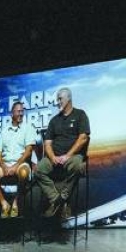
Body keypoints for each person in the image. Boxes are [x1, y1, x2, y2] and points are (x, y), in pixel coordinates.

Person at [34, 87, 90, 238]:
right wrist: (52, 157)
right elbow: (47, 143)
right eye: (57, 99)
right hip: (55, 157)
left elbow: (83, 138)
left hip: (72, 156)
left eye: (60, 99)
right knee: (38, 169)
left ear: (68, 99)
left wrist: (67, 155)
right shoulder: (54, 120)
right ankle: (58, 200)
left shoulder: (80, 115)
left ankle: (63, 197)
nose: (57, 102)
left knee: (78, 165)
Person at [0, 100, 35, 218]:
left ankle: (16, 203)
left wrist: (15, 166)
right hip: (5, 165)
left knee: (23, 173)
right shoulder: (4, 131)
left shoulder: (27, 128)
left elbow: (28, 151)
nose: (21, 114)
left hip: (21, 164)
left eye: (22, 111)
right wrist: (4, 167)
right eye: (18, 111)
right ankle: (4, 204)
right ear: (11, 113)